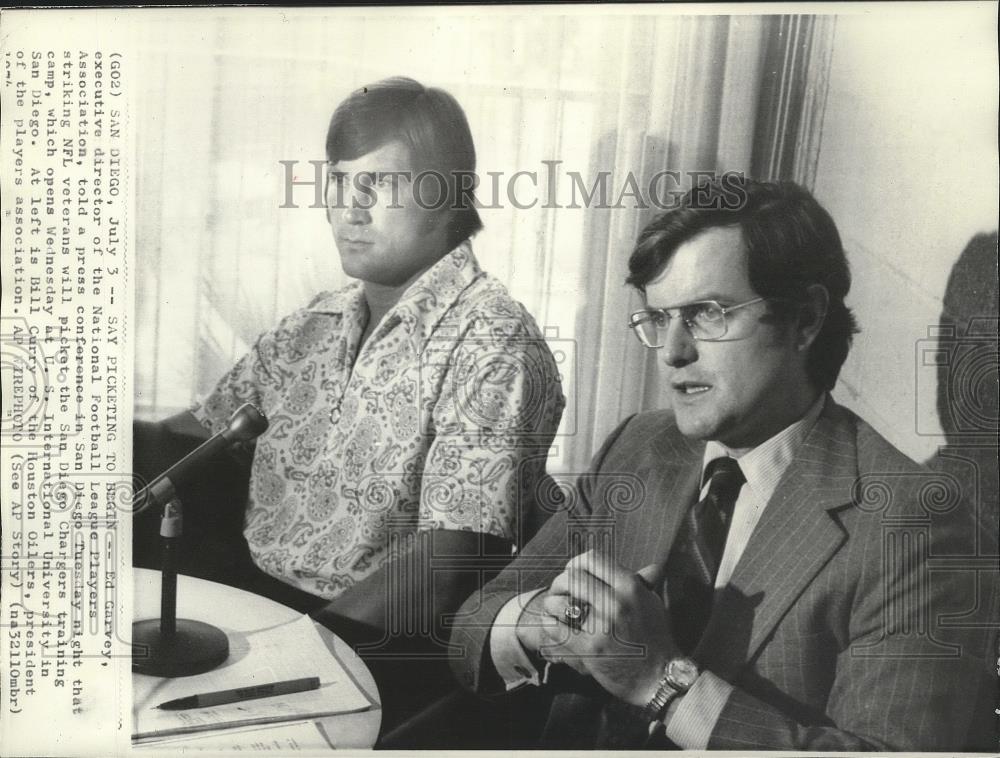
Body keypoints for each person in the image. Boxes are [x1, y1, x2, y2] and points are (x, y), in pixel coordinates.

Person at [449, 178, 997, 750]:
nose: (673, 352)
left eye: (707, 313)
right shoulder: (641, 446)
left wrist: (660, 682)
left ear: (805, 319)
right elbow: (470, 627)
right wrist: (540, 620)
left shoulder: (917, 526)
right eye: (659, 319)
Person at [134, 77, 565, 727]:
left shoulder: (495, 340)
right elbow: (189, 441)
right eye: (338, 182)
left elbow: (443, 567)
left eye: (381, 185)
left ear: (447, 196)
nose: (349, 208)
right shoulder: (321, 317)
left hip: (376, 647)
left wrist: (283, 657)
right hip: (249, 603)